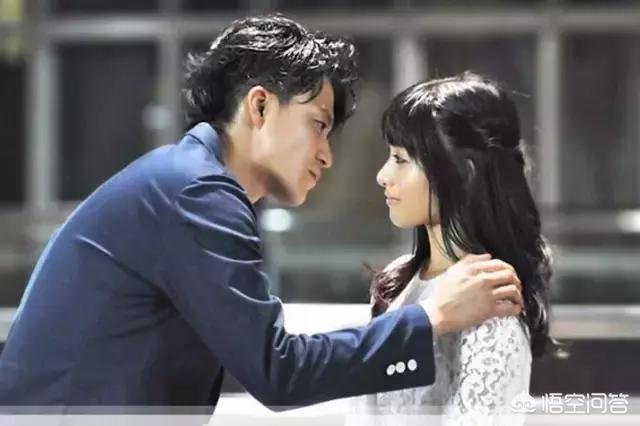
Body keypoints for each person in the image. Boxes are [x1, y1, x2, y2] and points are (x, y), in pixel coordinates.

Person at [0, 16, 522, 414]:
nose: (327, 155)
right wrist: (433, 316)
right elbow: (278, 372)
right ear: (260, 106)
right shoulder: (197, 193)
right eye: (319, 124)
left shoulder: (184, 180)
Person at [348, 72, 555, 425]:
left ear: (464, 172)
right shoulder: (398, 281)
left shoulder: (490, 297)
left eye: (401, 159)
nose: (383, 175)